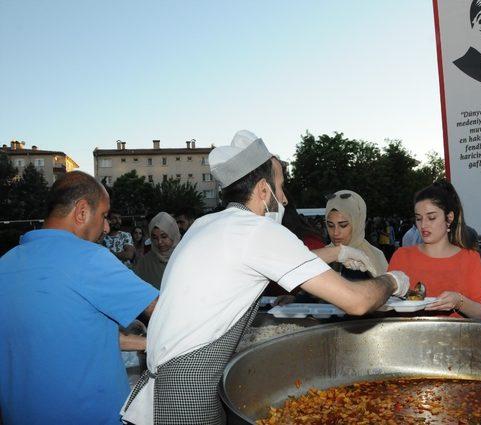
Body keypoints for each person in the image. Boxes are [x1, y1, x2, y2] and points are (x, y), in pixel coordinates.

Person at [121, 130, 409, 425]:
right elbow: (357, 302)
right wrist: (393, 281)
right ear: (262, 190)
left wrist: (336, 254)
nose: (284, 198)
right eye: (281, 186)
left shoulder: (208, 224)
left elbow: (270, 263)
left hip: (173, 379)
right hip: (189, 387)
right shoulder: (256, 231)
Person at [0, 171, 158, 425]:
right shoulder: (91, 258)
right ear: (82, 211)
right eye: (104, 216)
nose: (107, 227)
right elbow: (165, 311)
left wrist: (145, 343)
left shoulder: (5, 264)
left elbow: (72, 335)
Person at [388, 180, 481, 319]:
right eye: (418, 219)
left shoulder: (470, 258)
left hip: (458, 338)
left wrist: (459, 302)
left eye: (431, 218)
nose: (423, 225)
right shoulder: (401, 256)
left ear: (449, 218)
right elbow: (387, 306)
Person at [325, 190, 388, 280]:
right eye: (330, 225)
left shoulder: (375, 257)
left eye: (343, 225)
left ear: (358, 223)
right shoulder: (321, 257)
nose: (335, 232)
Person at [134, 212, 182, 290]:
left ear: (173, 234)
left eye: (164, 236)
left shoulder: (185, 256)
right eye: (155, 238)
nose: (159, 242)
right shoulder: (145, 262)